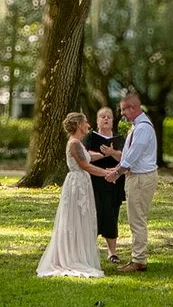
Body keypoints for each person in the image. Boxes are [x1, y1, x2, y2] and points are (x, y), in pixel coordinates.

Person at [36, 113, 112, 278]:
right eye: (85, 122)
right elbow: (85, 165)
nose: (88, 125)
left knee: (81, 218)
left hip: (82, 183)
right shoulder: (74, 144)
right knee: (74, 219)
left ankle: (78, 253)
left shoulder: (78, 143)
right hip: (77, 184)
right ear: (78, 124)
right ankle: (71, 256)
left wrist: (106, 154)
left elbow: (89, 156)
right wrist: (106, 173)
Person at [115, 90, 160, 273]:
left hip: (141, 179)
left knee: (137, 220)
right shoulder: (137, 126)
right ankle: (137, 257)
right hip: (137, 177)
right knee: (136, 218)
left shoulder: (142, 128)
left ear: (132, 107)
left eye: (123, 110)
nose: (122, 114)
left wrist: (116, 172)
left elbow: (132, 156)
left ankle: (139, 260)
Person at [85, 105, 126, 263]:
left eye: (109, 116)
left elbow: (126, 158)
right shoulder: (90, 137)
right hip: (95, 181)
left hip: (114, 182)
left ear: (113, 120)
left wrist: (113, 153)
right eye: (103, 116)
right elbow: (85, 155)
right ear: (97, 121)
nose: (106, 119)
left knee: (111, 214)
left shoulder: (120, 139)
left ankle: (112, 252)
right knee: (94, 214)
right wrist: (102, 154)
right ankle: (89, 249)